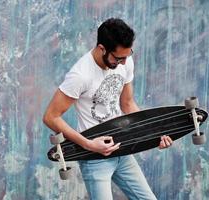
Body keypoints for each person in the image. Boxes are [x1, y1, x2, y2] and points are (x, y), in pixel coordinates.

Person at [43, 18, 173, 200]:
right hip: (94, 157)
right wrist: (88, 144)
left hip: (123, 148)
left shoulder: (125, 61)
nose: (122, 63)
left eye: (127, 56)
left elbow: (127, 104)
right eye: (118, 58)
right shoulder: (80, 75)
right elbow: (50, 117)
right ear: (102, 48)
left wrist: (154, 134)